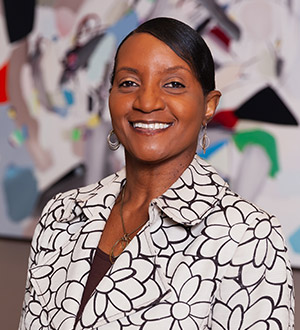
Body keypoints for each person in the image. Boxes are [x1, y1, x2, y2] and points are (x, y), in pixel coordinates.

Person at [19, 17, 294, 330]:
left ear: (208, 105)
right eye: (129, 83)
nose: (147, 101)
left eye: (173, 84)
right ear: (110, 97)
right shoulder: (61, 213)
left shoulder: (248, 237)